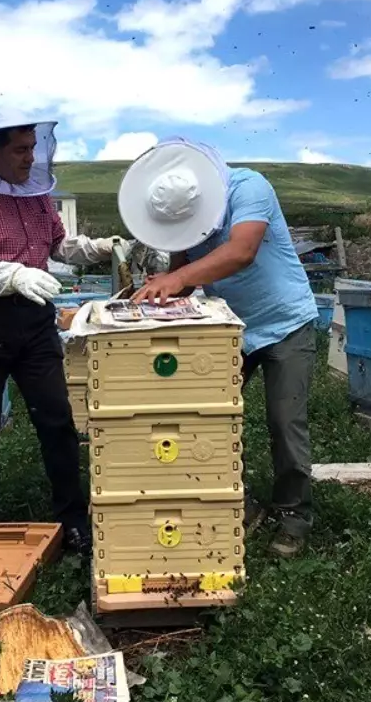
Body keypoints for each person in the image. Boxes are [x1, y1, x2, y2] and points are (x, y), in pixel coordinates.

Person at [120, 137, 318, 558]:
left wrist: (176, 279)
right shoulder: (180, 210)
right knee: (205, 418)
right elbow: (182, 273)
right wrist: (155, 300)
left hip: (286, 323)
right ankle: (236, 503)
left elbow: (241, 251)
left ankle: (293, 515)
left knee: (285, 423)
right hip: (230, 327)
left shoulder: (249, 188)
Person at [0, 110, 121, 555]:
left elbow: (59, 244)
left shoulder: (38, 191)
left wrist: (99, 248)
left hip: (34, 320)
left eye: (32, 147)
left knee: (57, 418)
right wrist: (12, 275)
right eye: (20, 149)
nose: (30, 157)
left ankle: (72, 516)